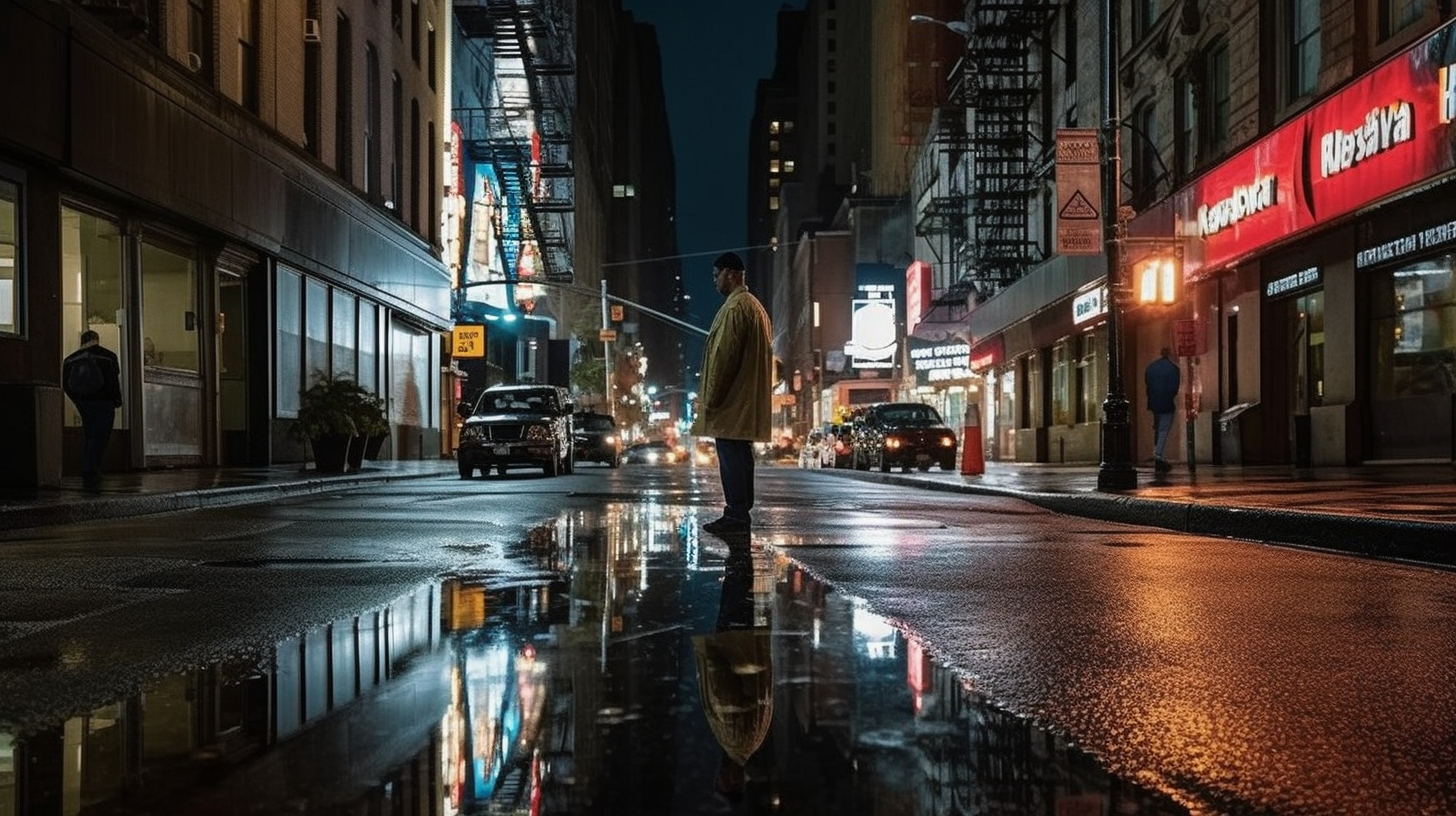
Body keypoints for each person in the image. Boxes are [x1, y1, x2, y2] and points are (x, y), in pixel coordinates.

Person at [693, 252, 773, 537]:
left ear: (730, 273)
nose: (715, 282)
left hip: (731, 404)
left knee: (732, 458)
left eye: (716, 276)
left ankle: (736, 515)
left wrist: (711, 398)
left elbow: (723, 358)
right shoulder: (753, 307)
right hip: (742, 402)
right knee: (740, 457)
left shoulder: (735, 307)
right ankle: (738, 513)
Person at [693, 547, 772, 802]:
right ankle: (739, 546)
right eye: (721, 782)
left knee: (739, 590)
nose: (717, 776)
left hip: (747, 646)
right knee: (736, 587)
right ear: (732, 780)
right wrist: (712, 655)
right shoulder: (736, 740)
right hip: (734, 646)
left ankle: (740, 549)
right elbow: (725, 692)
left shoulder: (751, 742)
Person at [62, 330, 124, 488]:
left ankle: (89, 467)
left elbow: (66, 385)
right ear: (97, 339)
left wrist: (77, 400)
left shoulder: (70, 360)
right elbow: (112, 381)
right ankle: (91, 468)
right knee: (101, 435)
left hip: (84, 402)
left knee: (90, 433)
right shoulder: (108, 356)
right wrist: (117, 400)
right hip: (104, 402)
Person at [1144, 346, 1181, 472]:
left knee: (1158, 428)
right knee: (1164, 429)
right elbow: (1174, 388)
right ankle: (1158, 455)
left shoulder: (1151, 367)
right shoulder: (1174, 369)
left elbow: (1148, 386)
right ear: (1170, 354)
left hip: (1154, 402)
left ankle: (1157, 452)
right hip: (1167, 403)